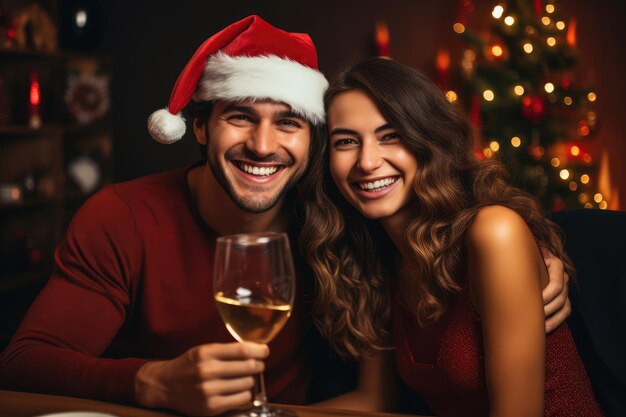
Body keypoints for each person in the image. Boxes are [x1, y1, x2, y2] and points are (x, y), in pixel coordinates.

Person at [0, 16, 570, 417]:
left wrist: (540, 257)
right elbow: (22, 363)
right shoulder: (121, 217)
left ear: (312, 143)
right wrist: (150, 382)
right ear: (199, 126)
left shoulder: (338, 216)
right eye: (240, 117)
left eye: (289, 123)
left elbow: (459, 226)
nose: (263, 145)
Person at [299, 58, 604, 416]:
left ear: (426, 138)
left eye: (391, 135)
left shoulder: (493, 233)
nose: (367, 162)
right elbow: (372, 402)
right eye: (346, 141)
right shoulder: (380, 255)